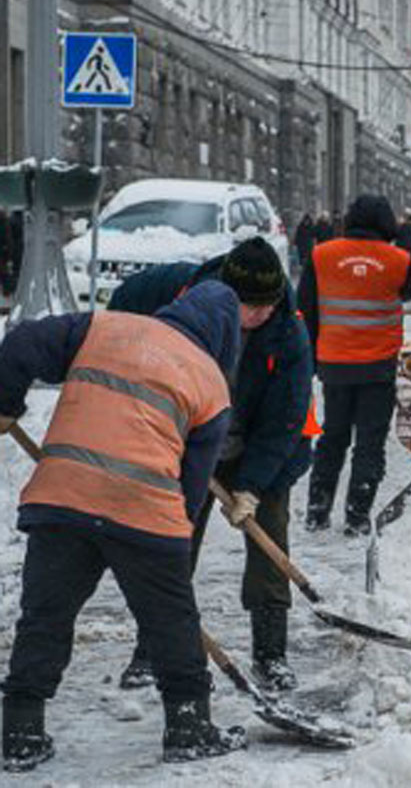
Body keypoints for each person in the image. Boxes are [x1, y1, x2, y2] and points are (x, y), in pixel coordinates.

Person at [0, 282, 246, 772]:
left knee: (45, 616)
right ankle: (189, 725)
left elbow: (22, 341)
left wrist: (5, 403)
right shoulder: (212, 384)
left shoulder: (101, 327)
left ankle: (20, 731)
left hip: (63, 498)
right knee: (172, 622)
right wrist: (171, 548)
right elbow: (191, 488)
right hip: (144, 511)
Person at [107, 237, 313, 692]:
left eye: (267, 305)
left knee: (269, 541)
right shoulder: (179, 291)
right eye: (248, 306)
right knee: (171, 543)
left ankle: (271, 651)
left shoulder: (288, 332)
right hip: (191, 443)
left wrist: (252, 487)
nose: (257, 316)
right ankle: (152, 647)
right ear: (224, 291)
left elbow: (284, 420)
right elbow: (119, 307)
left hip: (263, 449)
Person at [299, 195, 411, 535]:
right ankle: (357, 516)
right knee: (370, 443)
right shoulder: (398, 260)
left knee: (333, 437)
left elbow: (304, 306)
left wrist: (309, 358)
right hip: (378, 367)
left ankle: (317, 510)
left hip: (334, 365)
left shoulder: (321, 256)